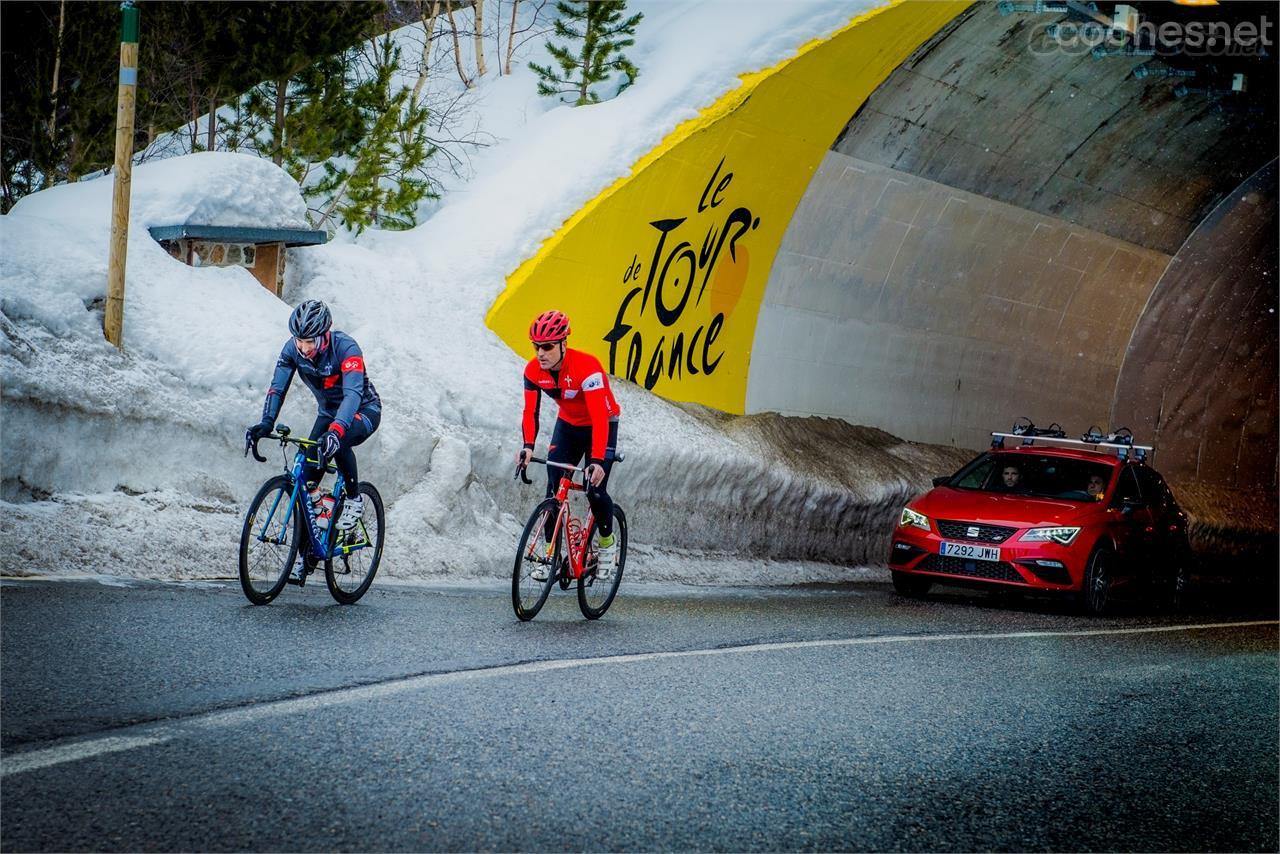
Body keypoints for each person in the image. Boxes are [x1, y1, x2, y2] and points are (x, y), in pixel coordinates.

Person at [246, 300, 382, 584]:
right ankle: (306, 556)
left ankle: (354, 500)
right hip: (327, 415)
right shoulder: (291, 349)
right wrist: (266, 423)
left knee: (339, 439)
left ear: (325, 334)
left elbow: (353, 395)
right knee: (305, 483)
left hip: (362, 411)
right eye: (299, 340)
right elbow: (277, 386)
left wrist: (336, 430)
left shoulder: (347, 348)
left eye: (309, 341)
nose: (303, 348)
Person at [516, 310, 622, 581]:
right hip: (569, 424)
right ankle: (548, 556)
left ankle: (608, 545)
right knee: (554, 492)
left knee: (595, 490)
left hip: (602, 424)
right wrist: (528, 446)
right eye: (537, 346)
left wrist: (597, 460)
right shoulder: (532, 371)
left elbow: (599, 415)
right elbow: (531, 412)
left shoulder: (587, 367)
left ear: (563, 344)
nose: (541, 353)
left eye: (548, 346)